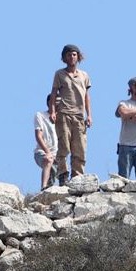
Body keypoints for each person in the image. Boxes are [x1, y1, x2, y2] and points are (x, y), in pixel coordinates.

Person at [50, 43, 92, 184]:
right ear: (64, 58)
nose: (72, 57)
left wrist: (89, 115)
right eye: (69, 54)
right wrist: (53, 111)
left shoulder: (84, 75)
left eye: (74, 54)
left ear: (78, 57)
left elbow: (86, 95)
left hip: (79, 115)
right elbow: (54, 93)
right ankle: (63, 175)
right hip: (64, 113)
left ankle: (78, 177)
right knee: (64, 147)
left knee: (79, 148)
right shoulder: (60, 74)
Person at [33, 93, 58, 189]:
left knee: (62, 172)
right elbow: (38, 135)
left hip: (57, 155)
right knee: (48, 160)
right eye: (55, 102)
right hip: (42, 152)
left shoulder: (62, 119)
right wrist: (47, 152)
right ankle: (43, 187)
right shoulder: (40, 116)